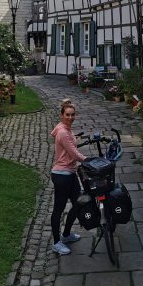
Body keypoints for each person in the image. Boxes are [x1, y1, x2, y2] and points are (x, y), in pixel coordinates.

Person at [50, 100, 86, 255]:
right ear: (61, 115)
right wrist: (88, 160)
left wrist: (75, 137)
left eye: (72, 115)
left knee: (78, 204)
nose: (70, 117)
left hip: (70, 173)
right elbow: (74, 154)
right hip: (62, 175)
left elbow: (65, 140)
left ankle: (66, 235)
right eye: (67, 115)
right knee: (58, 208)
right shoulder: (63, 132)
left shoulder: (64, 128)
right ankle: (57, 243)